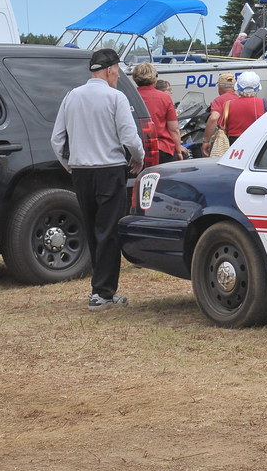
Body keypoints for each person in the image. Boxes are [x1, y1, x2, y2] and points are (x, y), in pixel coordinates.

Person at [50, 48, 144, 308]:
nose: (118, 76)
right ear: (110, 69)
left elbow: (57, 139)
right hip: (109, 168)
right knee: (109, 230)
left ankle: (99, 289)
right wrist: (139, 155)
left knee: (93, 229)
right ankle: (103, 293)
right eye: (117, 71)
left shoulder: (72, 96)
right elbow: (128, 137)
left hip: (81, 171)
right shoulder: (116, 97)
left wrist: (70, 165)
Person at [133, 62, 187, 163]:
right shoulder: (164, 98)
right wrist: (178, 149)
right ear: (154, 78)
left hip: (137, 149)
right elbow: (173, 129)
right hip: (162, 148)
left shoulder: (129, 97)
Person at [216, 71, 267, 143]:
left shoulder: (228, 105)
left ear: (237, 87)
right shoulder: (266, 103)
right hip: (259, 143)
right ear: (258, 88)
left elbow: (222, 126)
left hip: (234, 143)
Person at [202, 72, 239, 156]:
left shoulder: (218, 100)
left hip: (225, 139)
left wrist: (206, 141)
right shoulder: (239, 99)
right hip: (240, 139)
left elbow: (213, 118)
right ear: (234, 87)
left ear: (219, 86)